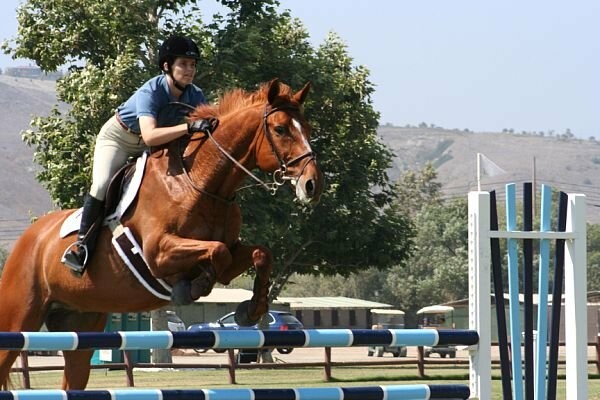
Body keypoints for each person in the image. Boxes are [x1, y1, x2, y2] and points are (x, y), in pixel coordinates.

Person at [62, 35, 211, 274]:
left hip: (152, 147)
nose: (190, 69)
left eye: (193, 64)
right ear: (167, 66)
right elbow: (150, 135)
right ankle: (81, 246)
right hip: (120, 138)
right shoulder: (151, 91)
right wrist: (188, 127)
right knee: (101, 184)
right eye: (183, 63)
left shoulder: (196, 95)